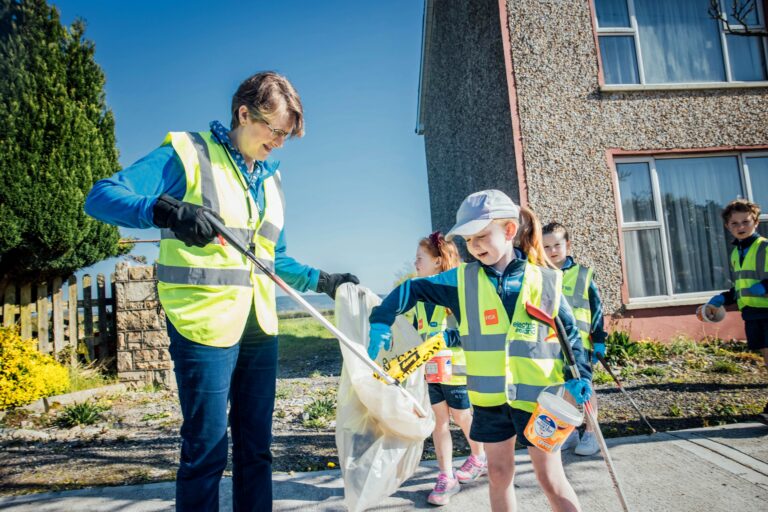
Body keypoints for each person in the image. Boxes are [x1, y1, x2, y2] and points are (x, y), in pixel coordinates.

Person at [84, 71, 358, 511]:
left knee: (258, 449)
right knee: (206, 451)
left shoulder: (271, 180)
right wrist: (164, 211)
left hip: (259, 328)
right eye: (275, 130)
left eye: (287, 135)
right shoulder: (188, 153)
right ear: (244, 113)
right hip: (201, 326)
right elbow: (100, 197)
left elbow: (271, 257)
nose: (280, 143)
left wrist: (323, 281)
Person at [368, 190, 592, 512]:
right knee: (499, 474)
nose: (475, 246)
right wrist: (381, 320)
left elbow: (570, 335)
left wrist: (579, 376)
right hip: (490, 401)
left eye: (483, 236)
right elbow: (411, 289)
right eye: (469, 240)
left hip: (539, 400)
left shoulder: (544, 281)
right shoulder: (461, 281)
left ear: (510, 231)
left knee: (550, 478)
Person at [411, 231, 486, 505]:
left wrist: (447, 339)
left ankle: (479, 456)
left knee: (462, 415)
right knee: (438, 421)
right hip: (429, 370)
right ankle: (446, 476)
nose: (415, 263)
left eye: (420, 258)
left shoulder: (454, 292)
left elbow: (467, 330)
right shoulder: (419, 295)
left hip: (456, 368)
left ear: (438, 261)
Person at [542, 222, 608, 456]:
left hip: (581, 345)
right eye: (546, 246)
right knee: (565, 390)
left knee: (584, 388)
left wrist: (600, 340)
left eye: (557, 245)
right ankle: (569, 431)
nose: (552, 251)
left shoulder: (583, 274)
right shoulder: (542, 276)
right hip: (553, 345)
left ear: (567, 245)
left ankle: (591, 434)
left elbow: (597, 310)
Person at [705, 198, 768, 422]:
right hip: (752, 313)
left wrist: (764, 286)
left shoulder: (765, 247)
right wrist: (722, 298)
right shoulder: (736, 253)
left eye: (746, 222)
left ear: (756, 223)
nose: (741, 227)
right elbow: (740, 287)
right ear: (727, 226)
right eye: (735, 223)